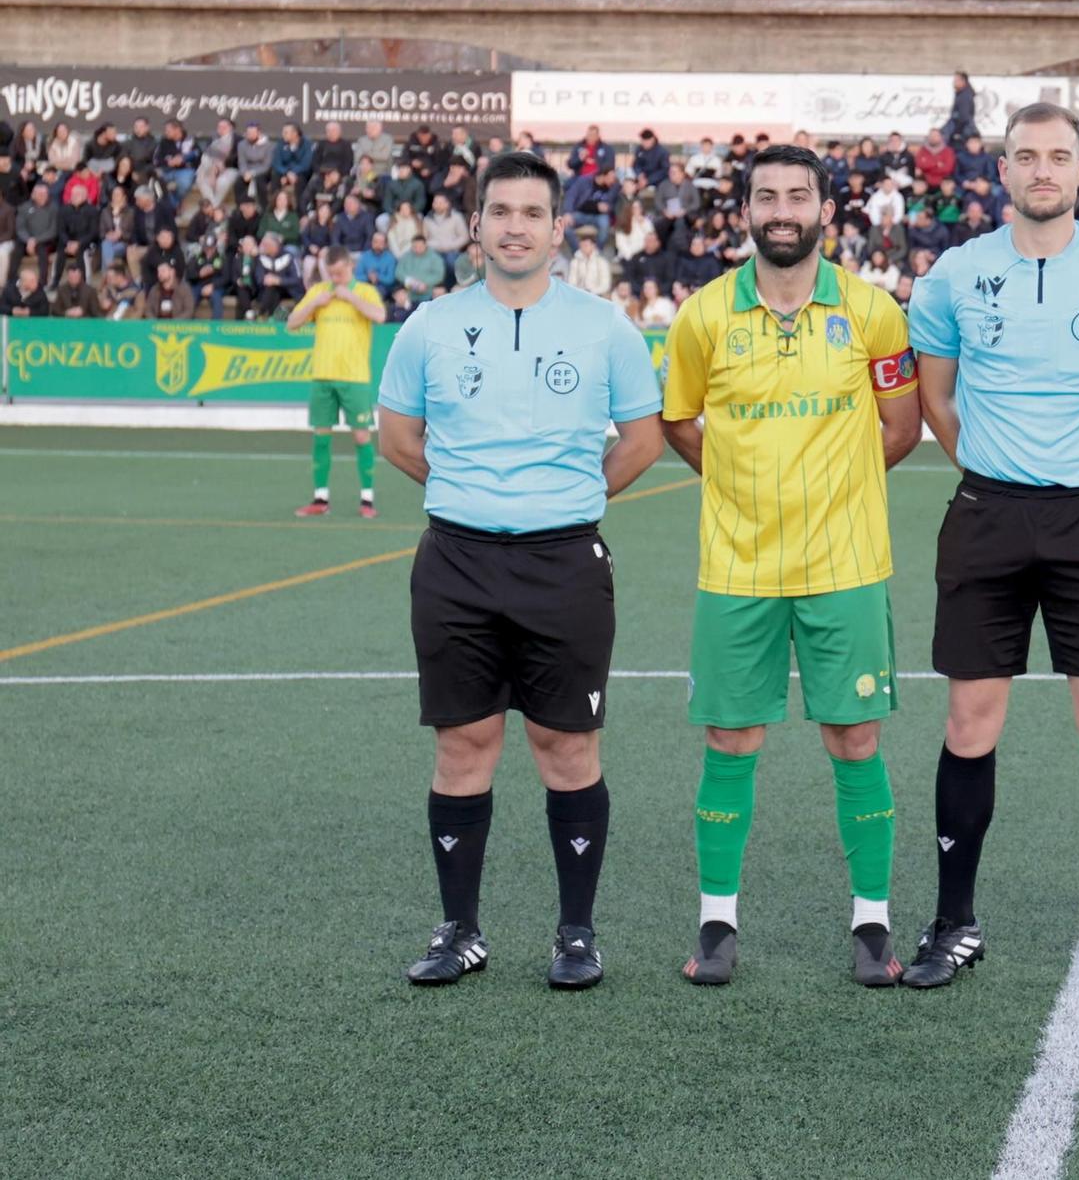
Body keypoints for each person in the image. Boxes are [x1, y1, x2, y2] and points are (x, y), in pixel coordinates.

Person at [902, 101, 1079, 995]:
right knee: (969, 724)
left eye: (1060, 157)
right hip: (986, 516)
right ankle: (953, 920)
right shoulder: (955, 270)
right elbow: (938, 398)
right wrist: (991, 468)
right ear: (1004, 170)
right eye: (1027, 156)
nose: (1044, 171)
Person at [375, 150, 666, 991]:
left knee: (566, 745)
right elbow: (398, 439)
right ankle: (459, 929)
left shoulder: (603, 324)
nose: (514, 227)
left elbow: (642, 439)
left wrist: (570, 498)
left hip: (564, 563)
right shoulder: (428, 325)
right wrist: (467, 491)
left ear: (555, 228)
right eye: (498, 212)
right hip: (456, 562)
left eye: (530, 214)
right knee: (464, 743)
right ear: (475, 225)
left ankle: (576, 933)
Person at [659, 145, 922, 989]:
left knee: (856, 735)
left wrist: (831, 492)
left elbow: (901, 425)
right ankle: (717, 921)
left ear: (825, 212)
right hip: (735, 567)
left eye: (797, 196)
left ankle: (873, 924)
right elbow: (679, 420)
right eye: (765, 195)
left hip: (845, 564)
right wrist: (745, 486)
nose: (782, 209)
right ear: (744, 212)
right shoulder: (702, 317)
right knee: (731, 737)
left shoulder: (875, 311)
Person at [286, 246, 387, 517]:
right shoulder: (320, 292)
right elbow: (291, 323)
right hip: (322, 375)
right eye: (331, 274)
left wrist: (350, 297)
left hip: (354, 377)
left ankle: (367, 500)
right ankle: (321, 499)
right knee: (321, 436)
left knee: (362, 435)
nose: (336, 279)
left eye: (340, 273)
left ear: (350, 267)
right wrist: (313, 304)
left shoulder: (364, 291)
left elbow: (379, 316)